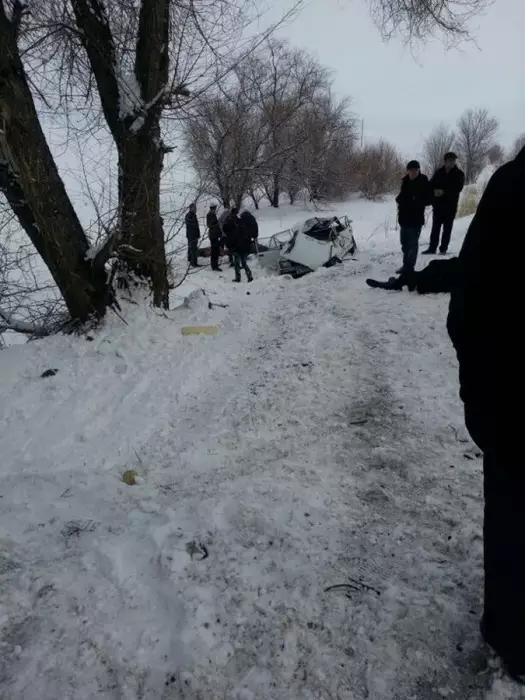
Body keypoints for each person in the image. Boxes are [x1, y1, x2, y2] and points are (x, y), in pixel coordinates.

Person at [447, 146, 525, 683]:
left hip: (510, 406)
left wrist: (476, 392)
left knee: (512, 520)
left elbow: (467, 304)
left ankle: (511, 632)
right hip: (510, 404)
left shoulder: (510, 188)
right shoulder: (510, 188)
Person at [423, 152, 465, 255]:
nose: (451, 162)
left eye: (453, 160)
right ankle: (432, 248)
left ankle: (443, 249)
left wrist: (443, 192)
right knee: (435, 228)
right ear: (445, 161)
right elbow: (431, 185)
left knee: (447, 229)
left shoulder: (459, 174)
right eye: (449, 160)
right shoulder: (439, 173)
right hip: (438, 206)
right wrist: (433, 192)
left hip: (450, 206)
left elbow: (458, 188)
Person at [395, 160, 432, 275]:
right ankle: (405, 265)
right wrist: (399, 199)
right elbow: (403, 195)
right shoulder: (405, 181)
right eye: (410, 170)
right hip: (404, 218)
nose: (412, 173)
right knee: (404, 243)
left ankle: (409, 268)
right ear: (408, 171)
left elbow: (430, 199)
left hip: (415, 219)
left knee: (412, 245)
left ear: (418, 170)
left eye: (415, 170)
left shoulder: (423, 181)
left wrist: (416, 201)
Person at [222, 207, 253, 283]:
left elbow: (228, 233)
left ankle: (238, 277)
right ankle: (249, 276)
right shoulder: (240, 221)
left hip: (237, 247)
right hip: (244, 246)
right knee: (243, 262)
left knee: (237, 262)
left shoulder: (230, 222)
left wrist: (230, 246)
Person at [206, 203, 222, 271]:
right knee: (214, 251)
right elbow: (209, 225)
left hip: (215, 235)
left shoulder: (212, 214)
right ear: (213, 208)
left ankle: (215, 264)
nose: (215, 209)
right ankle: (214, 266)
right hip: (213, 235)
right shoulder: (210, 214)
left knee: (216, 250)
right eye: (215, 208)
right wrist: (216, 223)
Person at [185, 202, 200, 268]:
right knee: (193, 248)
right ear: (191, 208)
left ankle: (191, 260)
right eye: (194, 208)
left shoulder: (193, 215)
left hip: (194, 234)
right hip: (191, 235)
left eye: (196, 208)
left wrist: (198, 234)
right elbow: (190, 224)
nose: (196, 209)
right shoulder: (189, 215)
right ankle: (193, 262)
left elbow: (196, 226)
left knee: (192, 248)